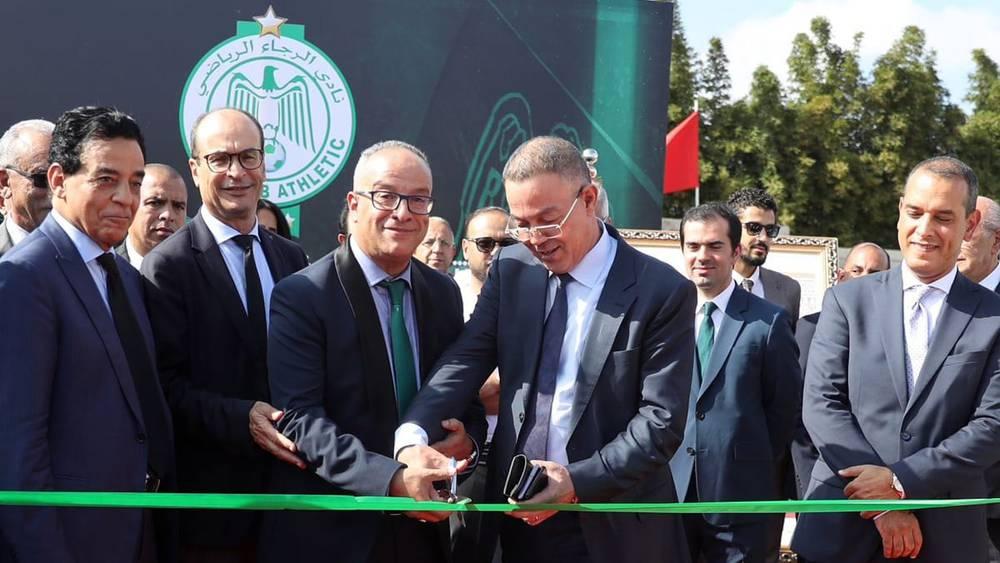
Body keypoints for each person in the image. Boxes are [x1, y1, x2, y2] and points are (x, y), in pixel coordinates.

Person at [396, 136, 696, 563]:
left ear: (589, 199)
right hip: (515, 518)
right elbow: (465, 360)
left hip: (611, 524)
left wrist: (575, 482)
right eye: (522, 224)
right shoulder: (513, 268)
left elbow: (660, 422)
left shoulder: (661, 292)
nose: (535, 239)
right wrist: (412, 436)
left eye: (548, 221)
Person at [258, 140, 485, 563]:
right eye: (386, 196)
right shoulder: (303, 294)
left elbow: (462, 393)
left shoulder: (442, 293)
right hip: (335, 534)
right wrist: (394, 480)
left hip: (425, 535)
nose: (403, 212)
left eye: (418, 199)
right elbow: (300, 419)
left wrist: (466, 440)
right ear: (354, 203)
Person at [791, 156, 1000, 563]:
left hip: (945, 534)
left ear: (970, 225)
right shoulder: (848, 301)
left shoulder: (993, 317)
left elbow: (992, 424)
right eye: (915, 213)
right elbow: (821, 404)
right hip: (842, 528)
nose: (925, 230)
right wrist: (884, 503)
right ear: (900, 211)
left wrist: (901, 483)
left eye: (942, 217)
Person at [0, 106, 175, 563]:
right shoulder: (22, 277)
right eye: (105, 179)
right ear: (58, 180)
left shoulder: (125, 278)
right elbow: (18, 452)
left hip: (137, 534)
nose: (125, 198)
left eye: (136, 182)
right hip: (70, 543)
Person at [141, 108, 308, 563]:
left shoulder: (293, 258)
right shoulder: (168, 266)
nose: (236, 172)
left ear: (265, 164)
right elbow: (163, 388)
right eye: (219, 159)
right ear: (195, 169)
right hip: (213, 513)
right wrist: (242, 418)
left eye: (248, 156)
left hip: (294, 504)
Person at [673, 202, 800, 563]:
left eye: (714, 246)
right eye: (693, 247)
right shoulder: (666, 317)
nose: (703, 256)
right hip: (671, 497)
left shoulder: (769, 321)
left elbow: (783, 411)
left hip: (741, 503)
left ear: (735, 251)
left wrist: (744, 460)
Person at [791, 242, 890, 498]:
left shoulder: (898, 334)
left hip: (885, 478)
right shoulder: (809, 328)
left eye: (875, 273)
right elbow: (802, 413)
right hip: (823, 476)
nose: (864, 279)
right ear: (841, 275)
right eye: (857, 271)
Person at [452, 205, 517, 560]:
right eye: (485, 242)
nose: (496, 251)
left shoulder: (533, 297)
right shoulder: (449, 298)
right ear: (465, 249)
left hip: (523, 459)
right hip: (471, 459)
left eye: (506, 242)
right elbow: (473, 391)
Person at [956, 196, 1000, 559]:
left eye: (969, 232)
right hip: (932, 497)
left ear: (996, 241)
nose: (956, 241)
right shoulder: (935, 298)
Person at [726, 188, 801, 323]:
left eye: (770, 230)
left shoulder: (789, 289)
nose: (763, 238)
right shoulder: (706, 284)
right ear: (731, 228)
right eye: (754, 228)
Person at [117, 164, 187, 270]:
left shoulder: (201, 275)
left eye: (178, 206)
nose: (168, 215)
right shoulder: (105, 273)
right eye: (155, 203)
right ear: (130, 206)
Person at [0, 119, 54, 257]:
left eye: (65, 179)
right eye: (43, 179)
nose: (57, 191)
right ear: (4, 182)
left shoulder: (102, 257)